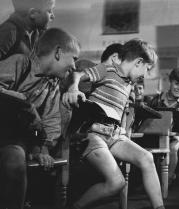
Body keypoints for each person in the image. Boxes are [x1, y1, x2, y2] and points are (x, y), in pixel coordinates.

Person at [62, 38, 165, 209]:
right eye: (146, 69)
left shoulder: (129, 84)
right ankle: (76, 207)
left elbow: (122, 114)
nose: (144, 75)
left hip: (115, 135)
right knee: (117, 182)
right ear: (138, 62)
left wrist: (124, 133)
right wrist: (73, 87)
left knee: (147, 157)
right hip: (93, 134)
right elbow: (78, 74)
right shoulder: (108, 69)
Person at [0, 27, 80, 209]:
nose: (74, 67)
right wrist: (24, 103)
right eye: (74, 58)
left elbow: (51, 119)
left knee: (19, 159)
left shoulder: (52, 84)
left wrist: (44, 149)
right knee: (14, 159)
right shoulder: (19, 63)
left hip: (19, 141)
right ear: (58, 53)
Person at [0, 0, 55, 70]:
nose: (53, 16)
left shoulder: (37, 33)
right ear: (32, 13)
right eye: (49, 11)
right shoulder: (8, 32)